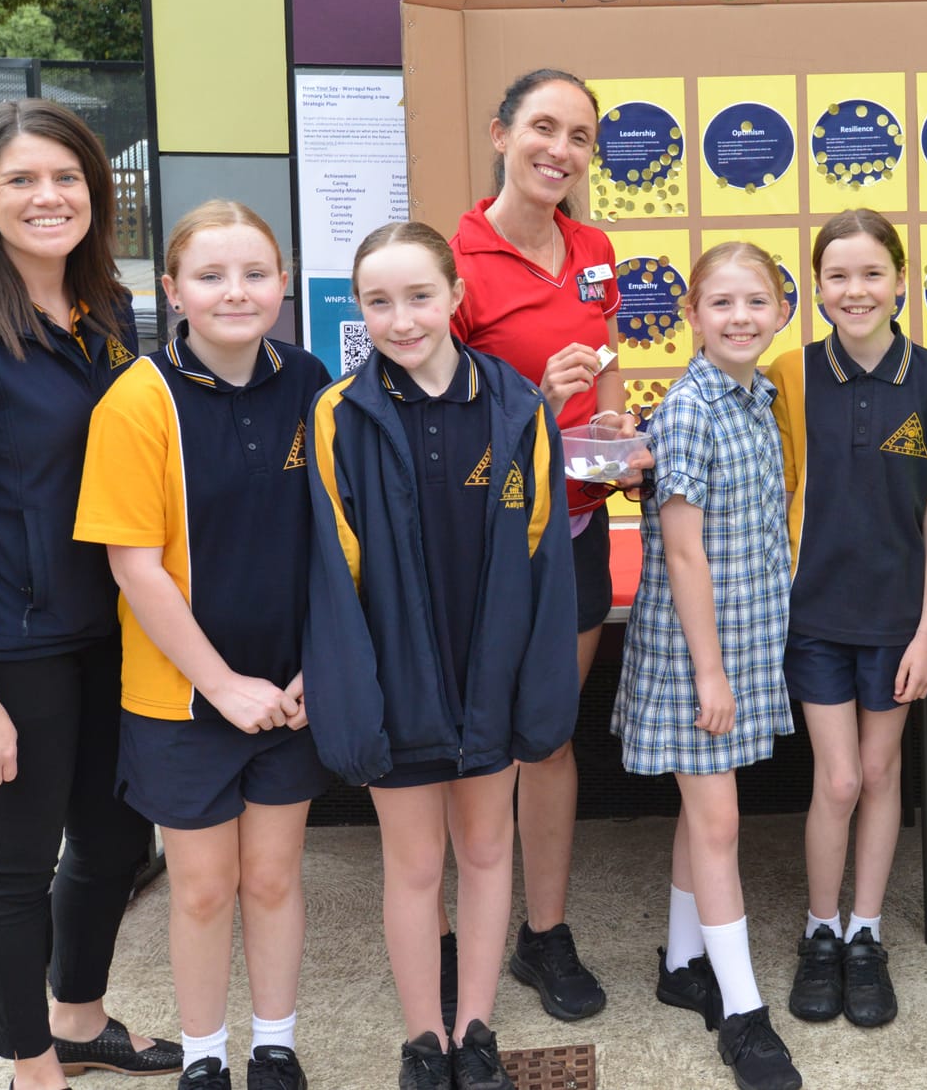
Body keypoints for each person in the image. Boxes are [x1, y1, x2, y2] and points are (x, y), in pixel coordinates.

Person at [0, 98, 179, 1090]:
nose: (48, 196)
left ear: (96, 191)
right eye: (21, 180)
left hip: (103, 621)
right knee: (13, 865)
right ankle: (28, 1064)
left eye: (65, 177)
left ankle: (80, 1016)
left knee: (111, 839)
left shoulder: (108, 310)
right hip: (3, 642)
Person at [304, 221, 579, 1090]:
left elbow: (544, 559)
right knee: (415, 864)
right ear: (360, 311)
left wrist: (535, 688)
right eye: (378, 301)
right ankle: (424, 1039)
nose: (402, 317)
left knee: (489, 851)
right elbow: (333, 566)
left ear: (457, 296)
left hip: (488, 678)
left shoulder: (517, 407)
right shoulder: (340, 415)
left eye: (420, 295)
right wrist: (355, 692)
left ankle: (478, 1030)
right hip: (399, 683)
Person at [76, 203, 332, 1090]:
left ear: (285, 282)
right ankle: (203, 1059)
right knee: (201, 888)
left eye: (256, 273)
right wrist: (223, 684)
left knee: (271, 878)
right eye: (212, 276)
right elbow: (133, 566)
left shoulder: (312, 380)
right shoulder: (138, 399)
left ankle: (274, 1044)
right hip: (183, 698)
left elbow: (337, 541)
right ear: (172, 290)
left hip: (292, 693)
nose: (237, 292)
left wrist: (311, 668)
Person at [767, 210, 927, 1029]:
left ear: (901, 279)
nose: (855, 291)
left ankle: (867, 933)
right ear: (816, 288)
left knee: (883, 774)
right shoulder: (790, 373)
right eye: (837, 277)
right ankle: (820, 931)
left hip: (896, 621)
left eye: (871, 274)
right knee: (841, 777)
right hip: (814, 613)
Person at [448, 67, 628, 1022]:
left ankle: (543, 934)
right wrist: (531, 395)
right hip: (481, 537)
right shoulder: (454, 262)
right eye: (543, 128)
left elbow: (602, 365)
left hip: (576, 528)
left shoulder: (594, 248)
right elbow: (431, 421)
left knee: (550, 735)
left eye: (581, 136)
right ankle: (464, 927)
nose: (561, 149)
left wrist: (610, 428)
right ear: (500, 133)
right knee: (480, 741)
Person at [612, 242, 803, 1090]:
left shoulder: (756, 397)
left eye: (755, 301)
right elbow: (683, 555)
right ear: (690, 314)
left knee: (704, 813)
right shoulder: (691, 407)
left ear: (781, 312)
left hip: (744, 643)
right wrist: (712, 675)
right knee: (720, 824)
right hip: (703, 654)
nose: (739, 317)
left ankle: (683, 961)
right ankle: (744, 1012)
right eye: (720, 302)